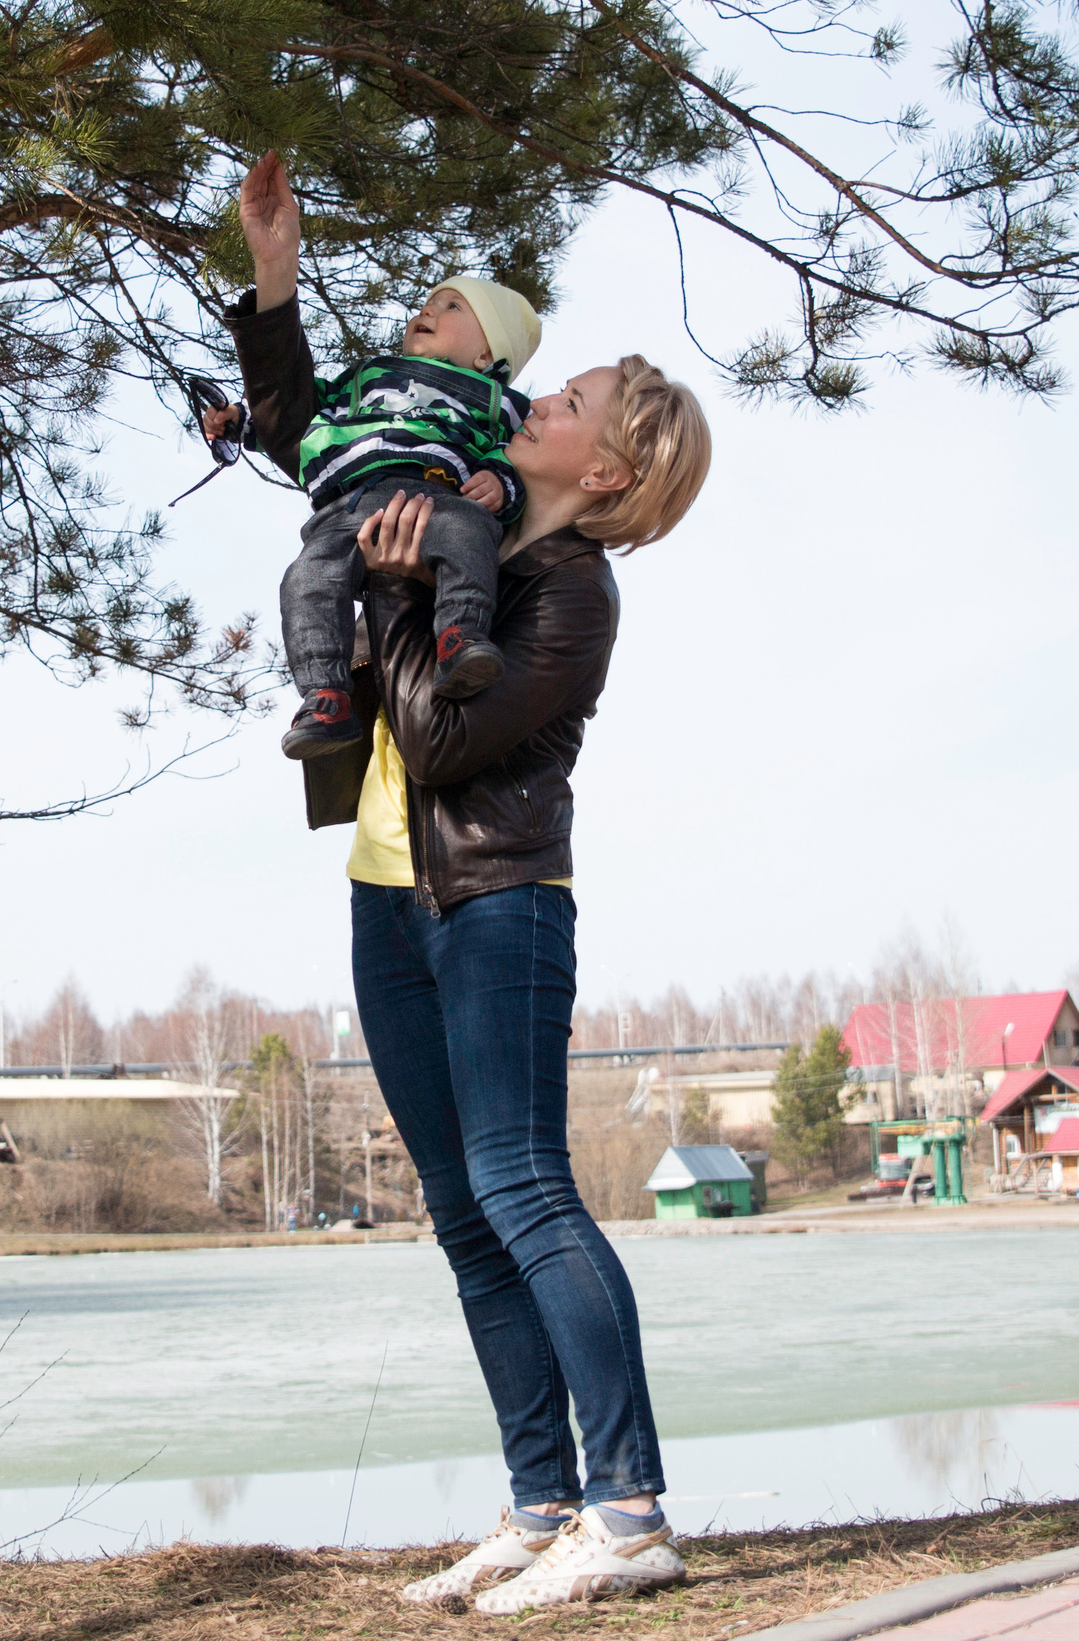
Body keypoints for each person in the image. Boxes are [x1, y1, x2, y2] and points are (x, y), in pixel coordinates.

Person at [220, 151, 713, 1615]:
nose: (538, 400)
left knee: (524, 1185)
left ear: (604, 469)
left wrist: (408, 596)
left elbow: (435, 740)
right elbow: (318, 426)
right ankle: (539, 1499)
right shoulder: (448, 499)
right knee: (459, 1205)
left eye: (568, 402)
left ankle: (627, 1511)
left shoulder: (565, 593)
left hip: (498, 905)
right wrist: (274, 280)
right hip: (389, 897)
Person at [206, 153, 544, 761]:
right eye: (430, 300)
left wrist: (501, 481)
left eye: (453, 308)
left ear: (488, 357)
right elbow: (312, 417)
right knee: (307, 578)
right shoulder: (369, 375)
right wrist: (243, 427)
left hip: (435, 494)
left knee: (470, 533)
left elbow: (515, 458)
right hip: (344, 506)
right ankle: (324, 694)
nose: (429, 310)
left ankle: (460, 636)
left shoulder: (497, 398)